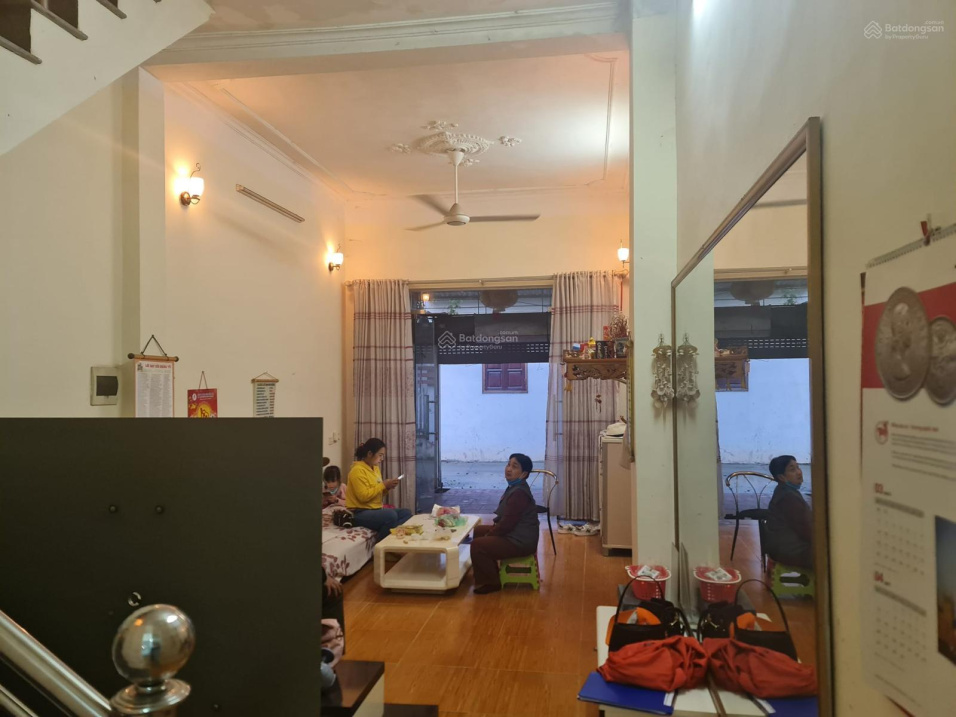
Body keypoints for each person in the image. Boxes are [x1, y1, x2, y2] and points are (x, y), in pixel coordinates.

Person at [470, 453, 540, 595]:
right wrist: (491, 532)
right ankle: (486, 572)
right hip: (517, 534)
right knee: (478, 531)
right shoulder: (515, 487)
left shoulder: (519, 493)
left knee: (478, 545)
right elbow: (507, 521)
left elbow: (507, 525)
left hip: (521, 541)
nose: (508, 469)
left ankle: (491, 583)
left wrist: (491, 533)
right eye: (508, 464)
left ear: (524, 474)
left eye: (514, 466)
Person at [345, 438, 412, 541]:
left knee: (406, 513)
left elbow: (377, 493)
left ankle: (389, 533)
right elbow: (363, 497)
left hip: (375, 509)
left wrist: (387, 487)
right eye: (380, 455)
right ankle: (381, 544)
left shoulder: (375, 468)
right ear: (370, 454)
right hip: (360, 512)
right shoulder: (357, 471)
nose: (382, 459)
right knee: (390, 516)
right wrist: (383, 485)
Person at [764, 455, 813, 569]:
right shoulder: (788, 497)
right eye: (792, 469)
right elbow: (806, 530)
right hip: (790, 550)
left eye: (798, 467)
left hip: (786, 547)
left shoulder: (786, 491)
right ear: (781, 477)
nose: (799, 472)